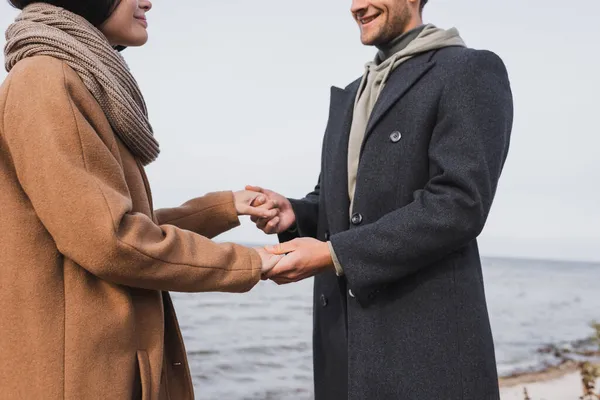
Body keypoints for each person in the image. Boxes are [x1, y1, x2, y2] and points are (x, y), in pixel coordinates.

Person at [0, 0, 283, 399]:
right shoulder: (45, 81)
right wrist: (255, 261)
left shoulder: (71, 78)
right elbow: (110, 240)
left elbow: (117, 224)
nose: (149, 1)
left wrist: (224, 207)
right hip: (79, 378)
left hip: (93, 368)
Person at [248, 0, 514, 398]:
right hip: (345, 350)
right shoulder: (353, 93)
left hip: (427, 351)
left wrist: (335, 254)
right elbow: (340, 205)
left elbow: (459, 204)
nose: (356, 5)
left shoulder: (469, 71)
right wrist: (295, 214)